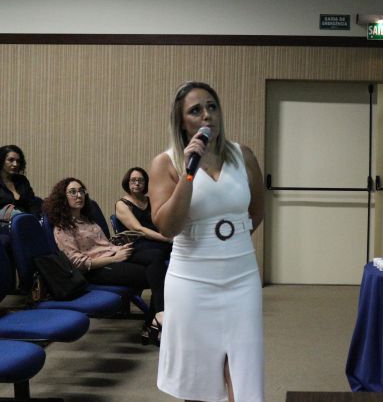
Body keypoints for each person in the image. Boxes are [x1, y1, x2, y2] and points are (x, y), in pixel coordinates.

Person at [150, 81, 264, 401]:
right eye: (196, 110)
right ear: (181, 121)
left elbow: (256, 211)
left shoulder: (243, 155)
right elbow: (168, 227)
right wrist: (189, 172)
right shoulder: (166, 163)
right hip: (191, 281)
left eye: (212, 107)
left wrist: (227, 244)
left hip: (241, 277)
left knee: (244, 367)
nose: (206, 116)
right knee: (197, 375)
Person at [43, 177, 168, 345]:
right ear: (62, 198)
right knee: (155, 274)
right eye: (73, 192)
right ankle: (154, 322)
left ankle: (154, 321)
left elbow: (105, 244)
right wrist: (114, 258)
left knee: (157, 255)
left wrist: (118, 249)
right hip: (96, 269)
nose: (79, 195)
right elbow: (78, 264)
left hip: (112, 256)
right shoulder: (62, 228)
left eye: (81, 191)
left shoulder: (88, 220)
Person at [115, 167, 172, 260]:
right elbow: (138, 229)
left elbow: (162, 221)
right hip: (137, 242)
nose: (137, 183)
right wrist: (167, 239)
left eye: (141, 180)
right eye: (133, 180)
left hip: (156, 239)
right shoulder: (122, 204)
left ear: (146, 183)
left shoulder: (151, 200)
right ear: (127, 182)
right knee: (161, 252)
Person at [0, 145, 42, 220]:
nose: (15, 164)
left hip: (24, 221)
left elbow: (32, 203)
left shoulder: (22, 180)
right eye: (11, 160)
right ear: (1, 161)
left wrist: (34, 219)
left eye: (18, 161)